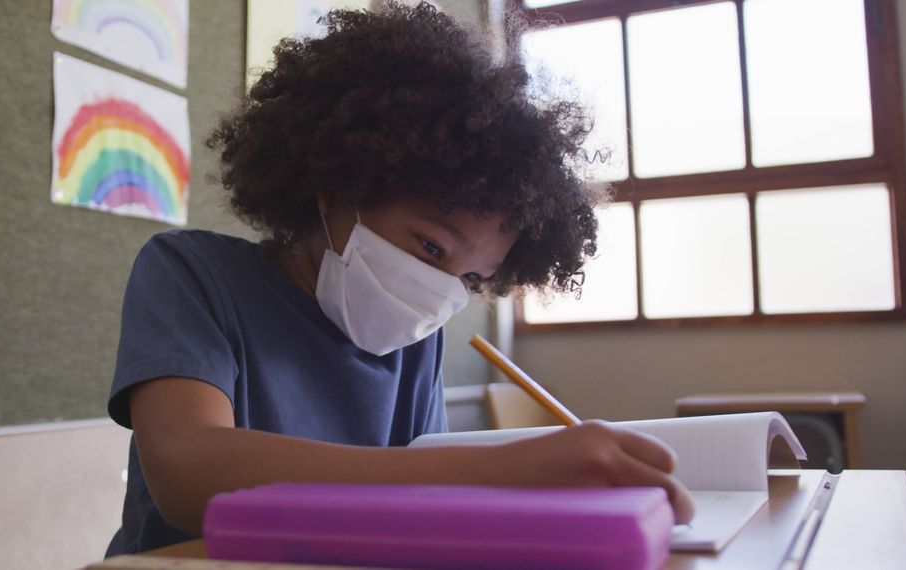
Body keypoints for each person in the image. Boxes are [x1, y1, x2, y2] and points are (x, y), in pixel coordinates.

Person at [104, 1, 693, 556]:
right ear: (337, 187)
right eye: (431, 245)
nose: (440, 290)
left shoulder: (412, 337)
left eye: (470, 276)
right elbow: (188, 472)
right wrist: (504, 468)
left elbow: (418, 504)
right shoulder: (192, 274)